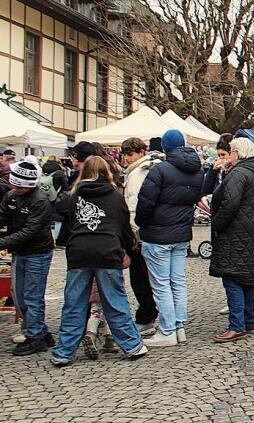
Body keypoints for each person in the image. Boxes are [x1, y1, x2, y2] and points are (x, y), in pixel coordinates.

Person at [51, 157, 147, 366]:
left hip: (79, 253)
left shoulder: (75, 195)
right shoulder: (114, 196)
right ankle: (132, 345)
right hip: (108, 251)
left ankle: (64, 351)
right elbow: (123, 226)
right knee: (115, 301)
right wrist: (129, 247)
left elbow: (67, 226)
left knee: (73, 304)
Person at [136, 129, 203, 347]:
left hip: (158, 233)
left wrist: (141, 223)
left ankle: (167, 330)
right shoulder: (197, 170)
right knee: (177, 281)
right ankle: (179, 327)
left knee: (161, 283)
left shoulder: (160, 170)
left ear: (164, 147)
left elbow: (145, 202)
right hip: (181, 232)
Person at [209, 138, 254, 342]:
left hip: (235, 232)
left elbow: (230, 204)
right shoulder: (252, 172)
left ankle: (237, 325)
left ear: (237, 153)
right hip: (250, 230)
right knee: (246, 277)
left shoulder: (239, 173)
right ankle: (248, 321)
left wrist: (216, 223)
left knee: (233, 277)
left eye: (231, 151)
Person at [0, 161, 55, 355]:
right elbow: (2, 218)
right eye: (15, 185)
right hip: (20, 252)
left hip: (37, 253)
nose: (16, 188)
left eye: (20, 186)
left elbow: (29, 231)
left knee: (32, 297)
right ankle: (41, 331)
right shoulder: (11, 196)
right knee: (18, 296)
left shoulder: (40, 200)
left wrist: (3, 242)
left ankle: (35, 337)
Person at [120, 137, 161, 336]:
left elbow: (135, 204)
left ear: (141, 152)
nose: (127, 158)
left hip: (138, 230)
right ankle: (150, 313)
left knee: (141, 277)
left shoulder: (140, 172)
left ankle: (147, 315)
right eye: (125, 153)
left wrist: (134, 229)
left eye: (130, 153)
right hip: (146, 229)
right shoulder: (144, 169)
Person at [40, 158, 69, 238]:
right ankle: (56, 237)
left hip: (45, 196)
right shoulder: (60, 173)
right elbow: (65, 186)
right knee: (58, 219)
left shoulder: (43, 171)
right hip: (57, 197)